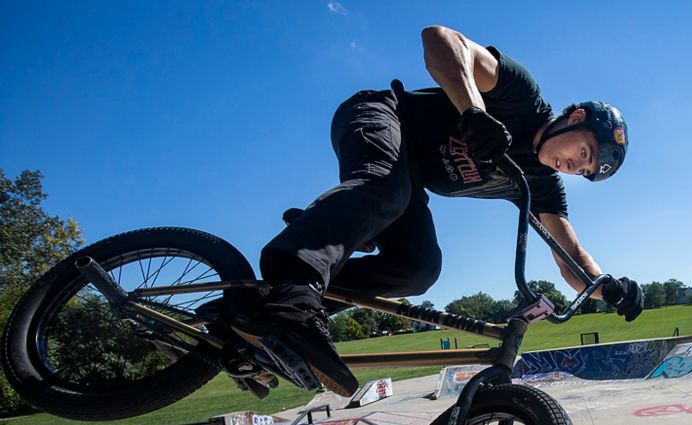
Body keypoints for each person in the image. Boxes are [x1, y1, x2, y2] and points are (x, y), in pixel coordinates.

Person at [232, 25, 644, 396]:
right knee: (385, 188)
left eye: (584, 170)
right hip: (381, 115)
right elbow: (439, 39)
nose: (574, 167)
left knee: (419, 268)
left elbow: (570, 259)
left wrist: (607, 288)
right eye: (583, 152)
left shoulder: (541, 186)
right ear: (574, 118)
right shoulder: (521, 97)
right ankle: (293, 292)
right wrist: (473, 112)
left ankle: (271, 313)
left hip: (409, 182)